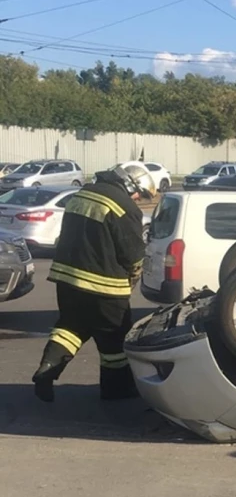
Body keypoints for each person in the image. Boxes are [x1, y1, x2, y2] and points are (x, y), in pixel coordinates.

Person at [31, 162, 156, 402]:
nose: (139, 198)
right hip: (105, 285)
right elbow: (132, 253)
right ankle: (115, 390)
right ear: (130, 184)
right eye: (140, 192)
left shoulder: (82, 194)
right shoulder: (124, 206)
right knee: (114, 340)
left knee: (70, 327)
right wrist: (134, 275)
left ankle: (46, 370)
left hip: (67, 280)